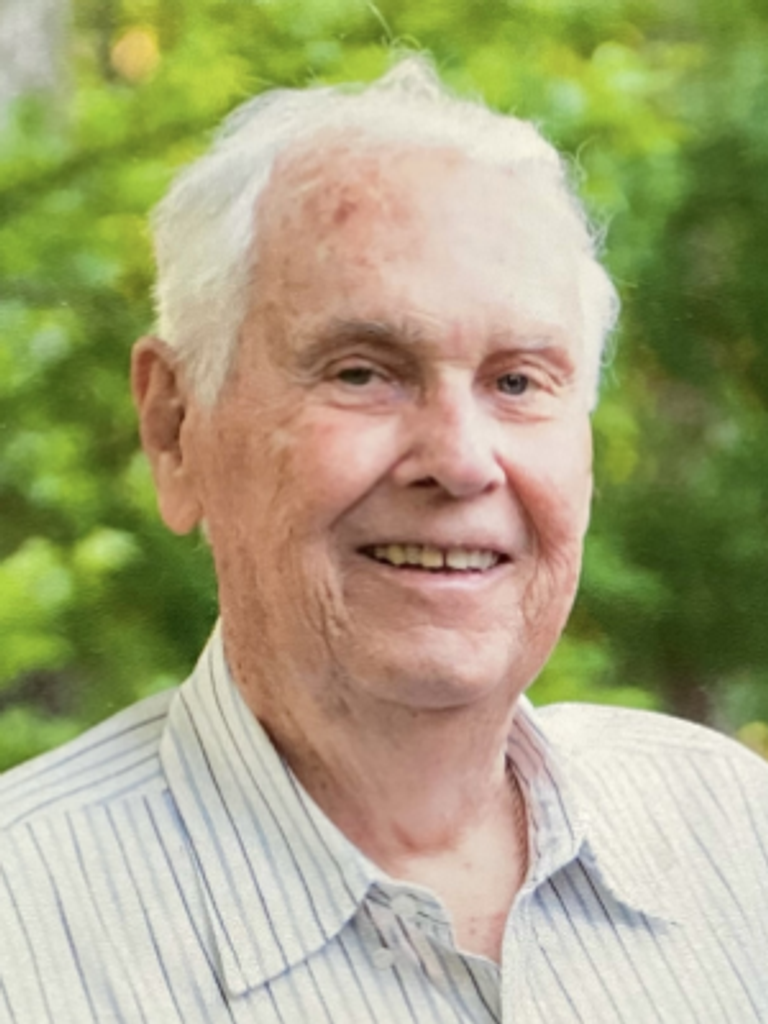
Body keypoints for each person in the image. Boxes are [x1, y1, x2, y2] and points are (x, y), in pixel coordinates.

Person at [1, 56, 766, 1024]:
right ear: (175, 427)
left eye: (518, 382)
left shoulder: (733, 834)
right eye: (363, 372)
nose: (461, 461)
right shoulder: (24, 931)